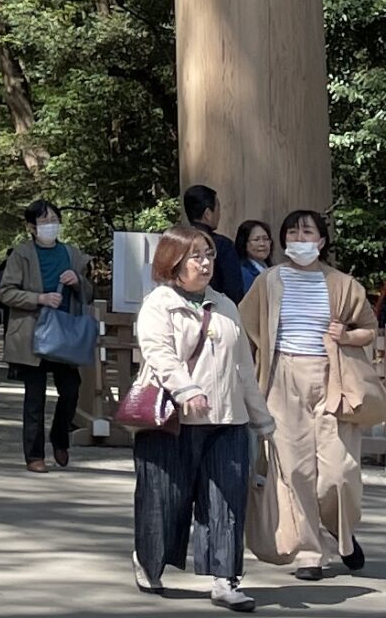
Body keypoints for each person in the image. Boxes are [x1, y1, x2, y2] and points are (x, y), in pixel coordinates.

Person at [130, 222, 271, 610]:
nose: (205, 262)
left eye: (209, 254)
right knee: (164, 498)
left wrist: (262, 418)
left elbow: (244, 367)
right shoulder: (159, 303)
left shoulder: (226, 305)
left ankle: (226, 580)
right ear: (173, 262)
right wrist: (186, 388)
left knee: (227, 500)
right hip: (171, 422)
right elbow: (159, 353)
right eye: (196, 255)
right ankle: (150, 560)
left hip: (227, 421)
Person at [240, 207, 377, 582]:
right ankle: (310, 552)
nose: (300, 240)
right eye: (293, 233)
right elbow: (244, 328)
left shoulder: (343, 284)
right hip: (283, 378)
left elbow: (368, 328)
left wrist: (345, 336)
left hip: (333, 378)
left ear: (322, 240)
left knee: (339, 472)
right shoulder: (268, 281)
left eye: (308, 232)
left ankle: (339, 528)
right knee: (296, 471)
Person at [0, 196, 92, 472]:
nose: (50, 225)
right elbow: (6, 292)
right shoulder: (22, 254)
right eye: (44, 221)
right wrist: (39, 298)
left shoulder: (72, 253)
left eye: (54, 220)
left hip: (65, 334)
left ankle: (60, 437)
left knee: (71, 391)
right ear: (31, 227)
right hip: (32, 334)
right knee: (35, 397)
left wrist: (78, 282)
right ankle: (34, 455)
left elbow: (88, 293)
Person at [185, 185, 253, 304]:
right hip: (216, 312)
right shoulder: (222, 245)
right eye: (218, 209)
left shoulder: (176, 241)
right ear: (207, 214)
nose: (220, 214)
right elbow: (234, 290)